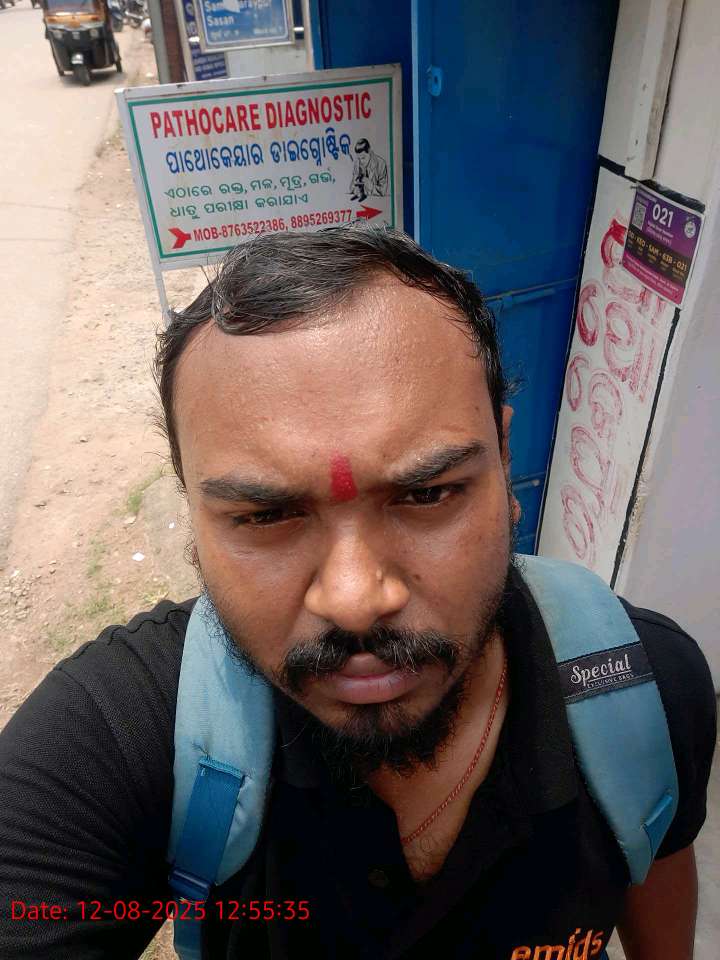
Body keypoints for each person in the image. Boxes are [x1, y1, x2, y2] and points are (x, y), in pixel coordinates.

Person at [0, 228, 715, 960]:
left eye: (427, 493)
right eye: (266, 515)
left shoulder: (648, 696)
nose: (353, 600)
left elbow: (659, 877)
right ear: (194, 513)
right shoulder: (116, 738)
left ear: (505, 463)